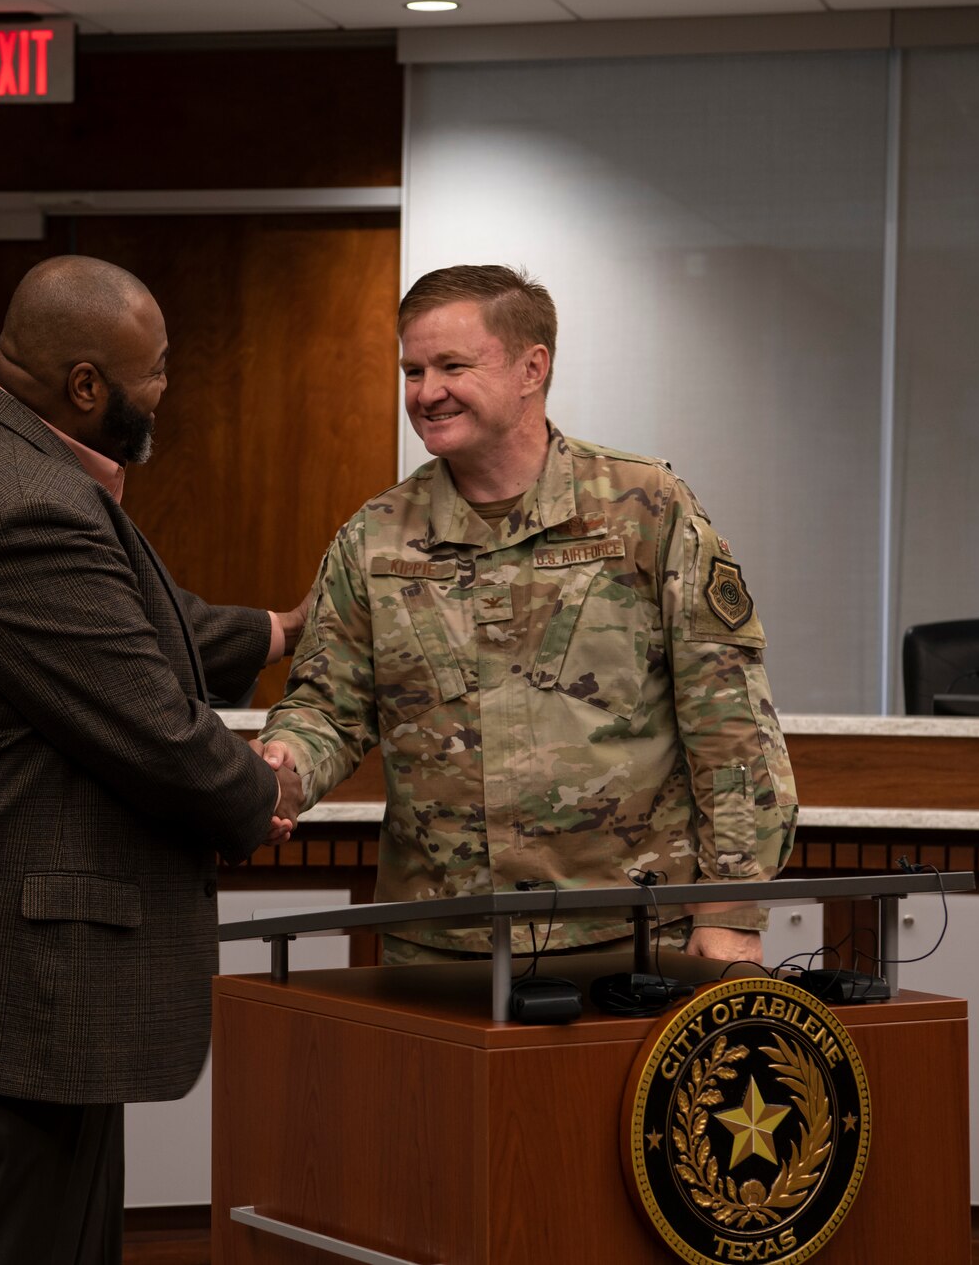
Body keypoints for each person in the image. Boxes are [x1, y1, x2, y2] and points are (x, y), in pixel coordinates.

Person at [0, 255, 306, 1265]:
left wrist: (279, 631)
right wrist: (262, 791)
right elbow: (144, 719)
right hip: (2, 991)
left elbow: (133, 624)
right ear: (86, 385)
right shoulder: (21, 505)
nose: (165, 389)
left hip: (10, 987)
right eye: (157, 371)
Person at [259, 264, 797, 966]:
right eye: (413, 370)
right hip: (441, 941)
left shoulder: (644, 508)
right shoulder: (376, 536)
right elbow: (328, 708)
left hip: (627, 933)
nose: (427, 392)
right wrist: (280, 772)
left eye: (452, 365)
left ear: (531, 368)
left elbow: (728, 721)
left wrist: (730, 908)